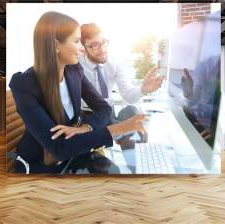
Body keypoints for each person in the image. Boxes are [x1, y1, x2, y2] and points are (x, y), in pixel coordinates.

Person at [9, 11, 146, 174]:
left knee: (114, 170)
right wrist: (119, 128)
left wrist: (85, 128)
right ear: (55, 45)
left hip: (72, 154)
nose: (82, 49)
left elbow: (105, 109)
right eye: (77, 41)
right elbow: (57, 148)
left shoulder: (74, 70)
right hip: (42, 164)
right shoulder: (24, 85)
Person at [78, 23, 165, 123]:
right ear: (83, 48)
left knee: (133, 112)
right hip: (85, 115)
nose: (102, 49)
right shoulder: (76, 65)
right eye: (94, 45)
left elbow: (128, 95)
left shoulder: (115, 63)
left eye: (103, 42)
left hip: (108, 113)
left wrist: (143, 89)